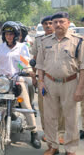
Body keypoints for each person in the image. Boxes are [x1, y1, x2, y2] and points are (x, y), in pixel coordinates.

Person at [0, 21, 41, 149]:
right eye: (7, 33)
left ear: (16, 35)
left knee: (26, 105)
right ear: (4, 35)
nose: (9, 36)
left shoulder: (22, 47)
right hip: (2, 81)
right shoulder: (0, 47)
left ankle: (34, 132)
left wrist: (28, 70)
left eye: (11, 34)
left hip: (16, 80)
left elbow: (24, 62)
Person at [36, 11, 84, 155]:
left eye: (61, 21)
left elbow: (82, 67)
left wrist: (80, 89)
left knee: (71, 119)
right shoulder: (45, 41)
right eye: (55, 22)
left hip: (70, 83)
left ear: (68, 23)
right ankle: (52, 146)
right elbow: (40, 65)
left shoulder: (78, 41)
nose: (58, 24)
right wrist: (41, 82)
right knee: (50, 117)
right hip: (49, 83)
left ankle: (70, 149)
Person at [31, 15, 65, 144]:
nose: (48, 25)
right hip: (43, 78)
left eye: (51, 23)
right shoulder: (38, 40)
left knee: (60, 107)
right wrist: (34, 76)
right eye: (45, 23)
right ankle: (47, 132)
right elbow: (34, 59)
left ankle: (61, 133)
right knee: (44, 107)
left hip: (59, 78)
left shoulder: (61, 39)